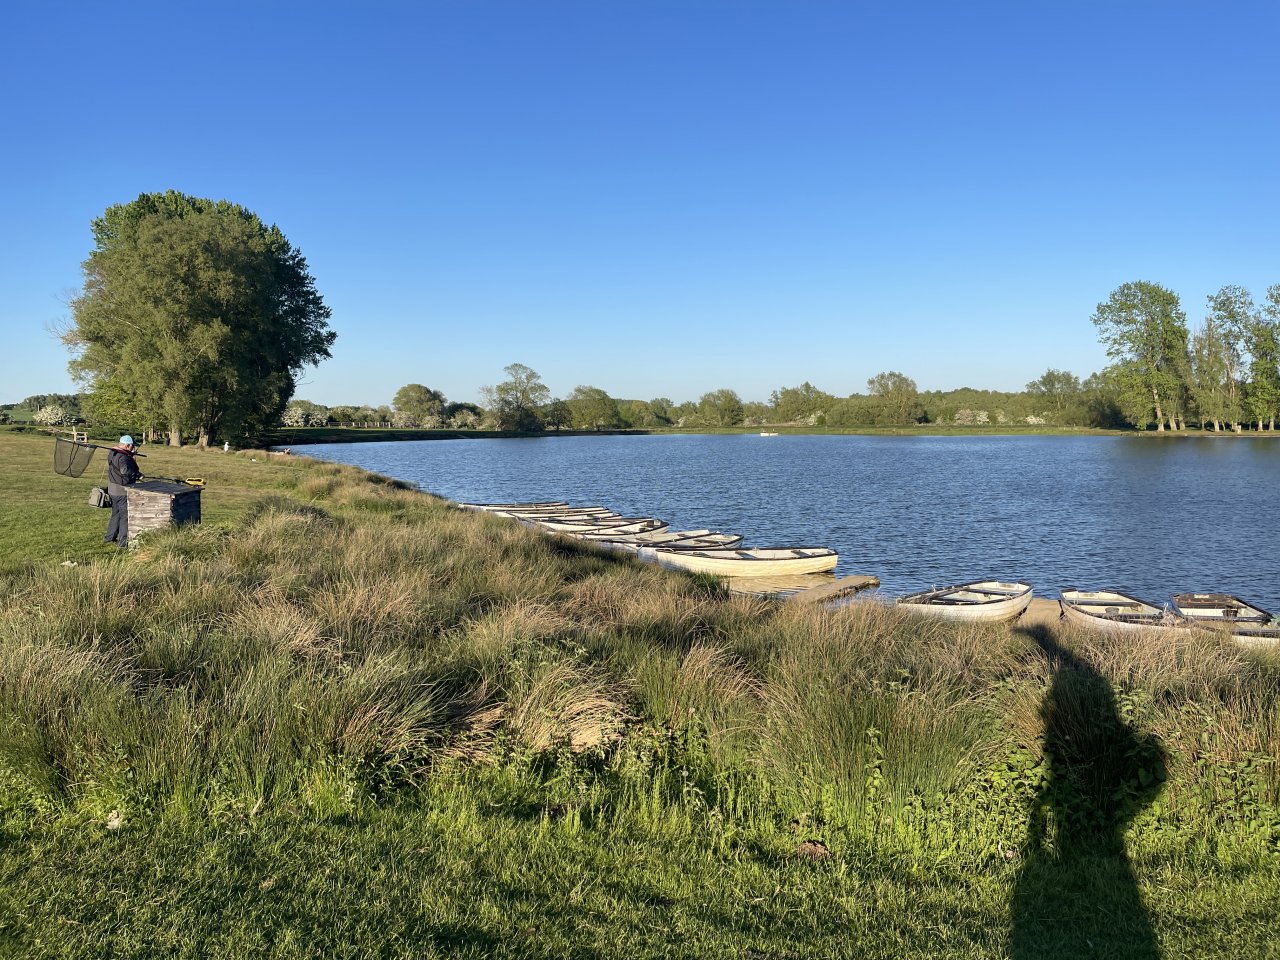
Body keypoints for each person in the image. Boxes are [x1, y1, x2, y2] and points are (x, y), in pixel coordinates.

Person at [104, 435, 142, 549]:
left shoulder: (113, 452)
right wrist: (137, 475)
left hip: (112, 488)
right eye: (133, 446)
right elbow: (124, 470)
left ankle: (109, 537)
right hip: (121, 490)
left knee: (115, 514)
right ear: (127, 445)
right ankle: (123, 543)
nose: (134, 448)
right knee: (125, 516)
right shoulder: (123, 457)